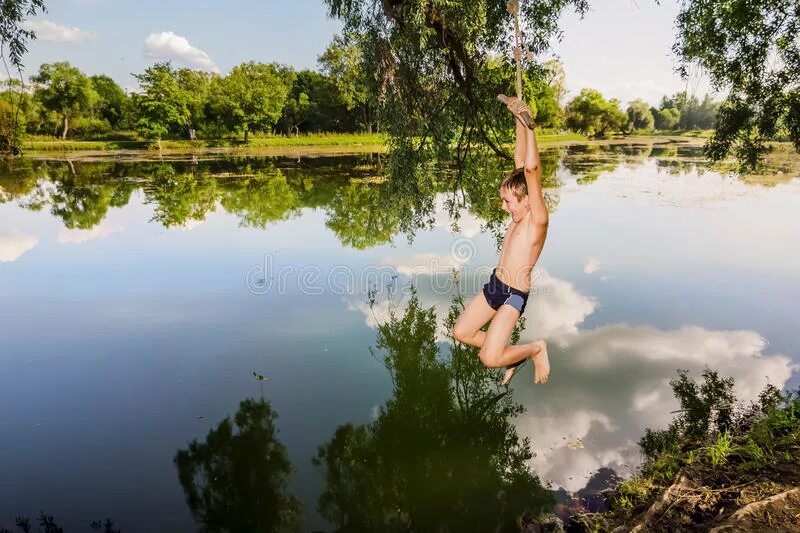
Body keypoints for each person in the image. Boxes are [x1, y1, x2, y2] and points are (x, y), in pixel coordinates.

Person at [451, 96, 550, 385]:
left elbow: (531, 171)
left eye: (507, 201)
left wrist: (531, 127)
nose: (504, 207)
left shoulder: (537, 220)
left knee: (489, 358)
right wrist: (518, 117)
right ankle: (513, 354)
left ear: (527, 200)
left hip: (513, 295)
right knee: (461, 332)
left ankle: (535, 348)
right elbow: (521, 163)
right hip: (496, 285)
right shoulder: (521, 212)